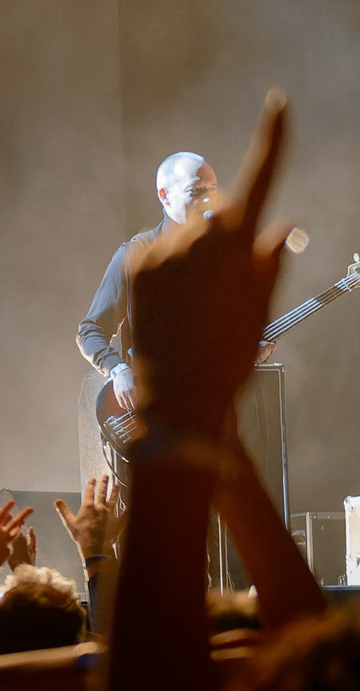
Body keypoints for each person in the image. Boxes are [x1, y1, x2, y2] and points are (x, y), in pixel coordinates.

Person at [77, 151, 273, 482]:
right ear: (164, 196)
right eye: (196, 191)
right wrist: (118, 370)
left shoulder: (222, 261)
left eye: (213, 189)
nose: (208, 199)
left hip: (208, 424)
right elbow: (90, 330)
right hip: (154, 424)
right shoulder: (136, 255)